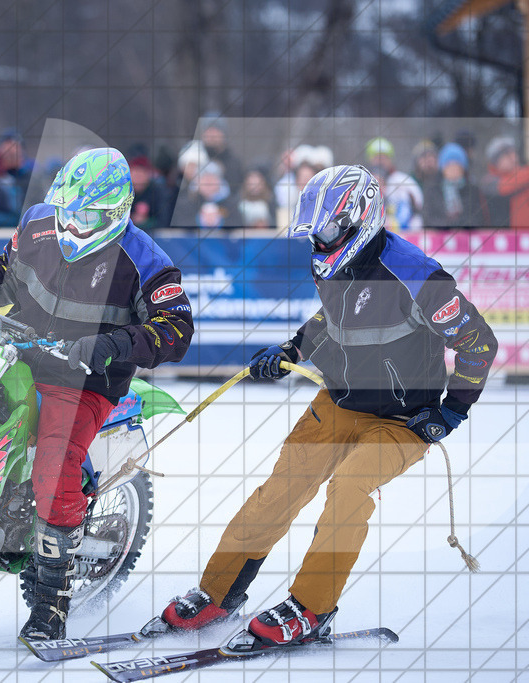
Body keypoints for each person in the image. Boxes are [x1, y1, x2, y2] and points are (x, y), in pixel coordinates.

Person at [141, 164, 497, 654]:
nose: (320, 243)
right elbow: (334, 317)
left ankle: (312, 607)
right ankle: (219, 594)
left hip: (403, 420)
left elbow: (480, 344)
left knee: (349, 487)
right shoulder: (326, 260)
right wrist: (290, 350)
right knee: (280, 488)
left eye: (328, 231)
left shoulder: (419, 277)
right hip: (340, 399)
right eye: (314, 232)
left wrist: (451, 412)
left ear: (361, 219)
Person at [0, 148, 194, 641]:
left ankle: (51, 602)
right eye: (67, 209)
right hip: (14, 353)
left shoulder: (146, 260)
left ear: (116, 213)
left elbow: (176, 330)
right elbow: (2, 271)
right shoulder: (38, 226)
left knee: (55, 464)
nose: (72, 223)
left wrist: (111, 344)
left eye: (86, 215)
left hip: (87, 377)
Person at [423, 143, 488, 230]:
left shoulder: (472, 190)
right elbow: (428, 218)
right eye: (449, 165)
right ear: (443, 168)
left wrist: (460, 225)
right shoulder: (432, 190)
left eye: (457, 166)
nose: (453, 169)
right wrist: (447, 226)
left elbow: (478, 218)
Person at [364, 137, 423, 231]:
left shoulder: (403, 181)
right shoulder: (364, 182)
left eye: (384, 157)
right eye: (376, 157)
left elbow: (418, 207)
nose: (380, 161)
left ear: (390, 159)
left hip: (406, 233)